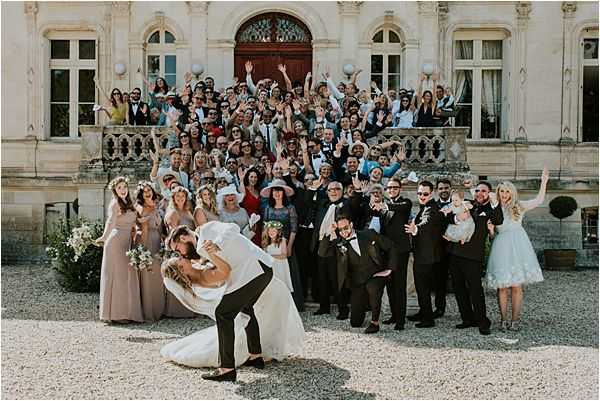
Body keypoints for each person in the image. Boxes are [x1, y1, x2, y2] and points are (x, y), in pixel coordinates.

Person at [166, 222, 277, 382]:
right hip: (255, 272)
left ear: (184, 237)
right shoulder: (200, 250)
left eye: (178, 248)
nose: (180, 254)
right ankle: (255, 356)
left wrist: (218, 244)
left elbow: (233, 227)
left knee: (223, 313)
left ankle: (227, 369)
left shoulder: (206, 230)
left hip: (254, 269)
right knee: (245, 308)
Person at [486, 168, 548, 331]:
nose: (504, 194)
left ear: (512, 193)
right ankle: (503, 320)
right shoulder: (494, 208)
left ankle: (515, 320)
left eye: (507, 191)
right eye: (502, 191)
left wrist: (544, 182)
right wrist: (491, 231)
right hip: (501, 246)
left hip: (519, 245)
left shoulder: (519, 206)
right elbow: (491, 235)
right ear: (498, 193)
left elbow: (539, 200)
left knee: (516, 286)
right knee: (502, 286)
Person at [318, 214, 398, 334]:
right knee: (355, 323)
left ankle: (374, 323)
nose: (343, 232)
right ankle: (365, 304)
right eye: (340, 229)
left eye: (345, 228)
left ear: (351, 225)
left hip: (376, 274)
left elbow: (391, 246)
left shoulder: (368, 234)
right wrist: (330, 232)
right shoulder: (339, 243)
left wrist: (389, 269)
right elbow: (322, 252)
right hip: (358, 281)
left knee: (373, 288)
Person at [446, 180, 504, 335]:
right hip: (455, 252)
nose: (480, 193)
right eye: (478, 190)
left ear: (489, 194)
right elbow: (450, 218)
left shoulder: (490, 210)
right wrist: (457, 219)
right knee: (459, 288)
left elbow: (499, 220)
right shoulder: (467, 204)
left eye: (484, 191)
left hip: (473, 256)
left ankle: (482, 321)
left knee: (475, 290)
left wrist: (495, 202)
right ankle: (467, 319)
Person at [94, 176, 143, 323]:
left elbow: (136, 221)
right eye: (119, 188)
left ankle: (127, 312)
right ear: (115, 190)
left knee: (126, 276)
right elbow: (111, 222)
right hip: (115, 241)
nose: (123, 190)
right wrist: (103, 237)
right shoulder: (115, 204)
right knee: (117, 277)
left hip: (127, 240)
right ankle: (116, 314)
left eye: (125, 187)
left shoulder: (130, 203)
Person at [404, 181, 445, 328]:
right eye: (419, 193)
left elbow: (426, 224)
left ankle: (428, 319)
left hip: (426, 256)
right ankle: (424, 312)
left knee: (422, 287)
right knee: (422, 288)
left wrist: (415, 229)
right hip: (423, 254)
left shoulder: (431, 209)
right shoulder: (426, 207)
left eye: (425, 193)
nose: (422, 196)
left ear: (432, 193)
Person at [260, 179, 304, 310]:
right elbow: (265, 228)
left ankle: (292, 303)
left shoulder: (290, 208)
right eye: (275, 191)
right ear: (272, 193)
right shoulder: (268, 209)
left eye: (279, 190)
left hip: (285, 245)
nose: (277, 193)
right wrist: (264, 245)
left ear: (284, 193)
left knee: (289, 273)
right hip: (271, 246)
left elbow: (294, 228)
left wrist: (289, 246)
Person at [375, 177, 412, 331]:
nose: (391, 190)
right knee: (389, 284)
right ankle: (394, 315)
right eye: (389, 188)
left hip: (401, 251)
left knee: (399, 285)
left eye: (394, 188)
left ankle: (401, 320)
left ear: (400, 189)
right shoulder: (384, 208)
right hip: (387, 251)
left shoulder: (405, 203)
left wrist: (383, 205)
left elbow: (397, 208)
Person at [134, 181, 166, 321]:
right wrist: (143, 251)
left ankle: (159, 309)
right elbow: (142, 230)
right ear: (141, 194)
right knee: (149, 274)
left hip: (158, 240)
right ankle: (149, 311)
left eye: (149, 190)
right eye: (145, 191)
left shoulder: (154, 206)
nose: (148, 193)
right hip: (148, 241)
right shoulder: (141, 208)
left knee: (158, 276)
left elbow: (160, 227)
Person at [262, 220, 293, 293]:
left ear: (278, 232)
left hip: (280, 266)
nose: (271, 232)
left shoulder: (282, 241)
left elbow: (284, 255)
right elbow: (264, 254)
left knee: (281, 282)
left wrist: (270, 256)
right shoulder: (266, 242)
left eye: (274, 230)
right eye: (270, 230)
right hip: (271, 266)